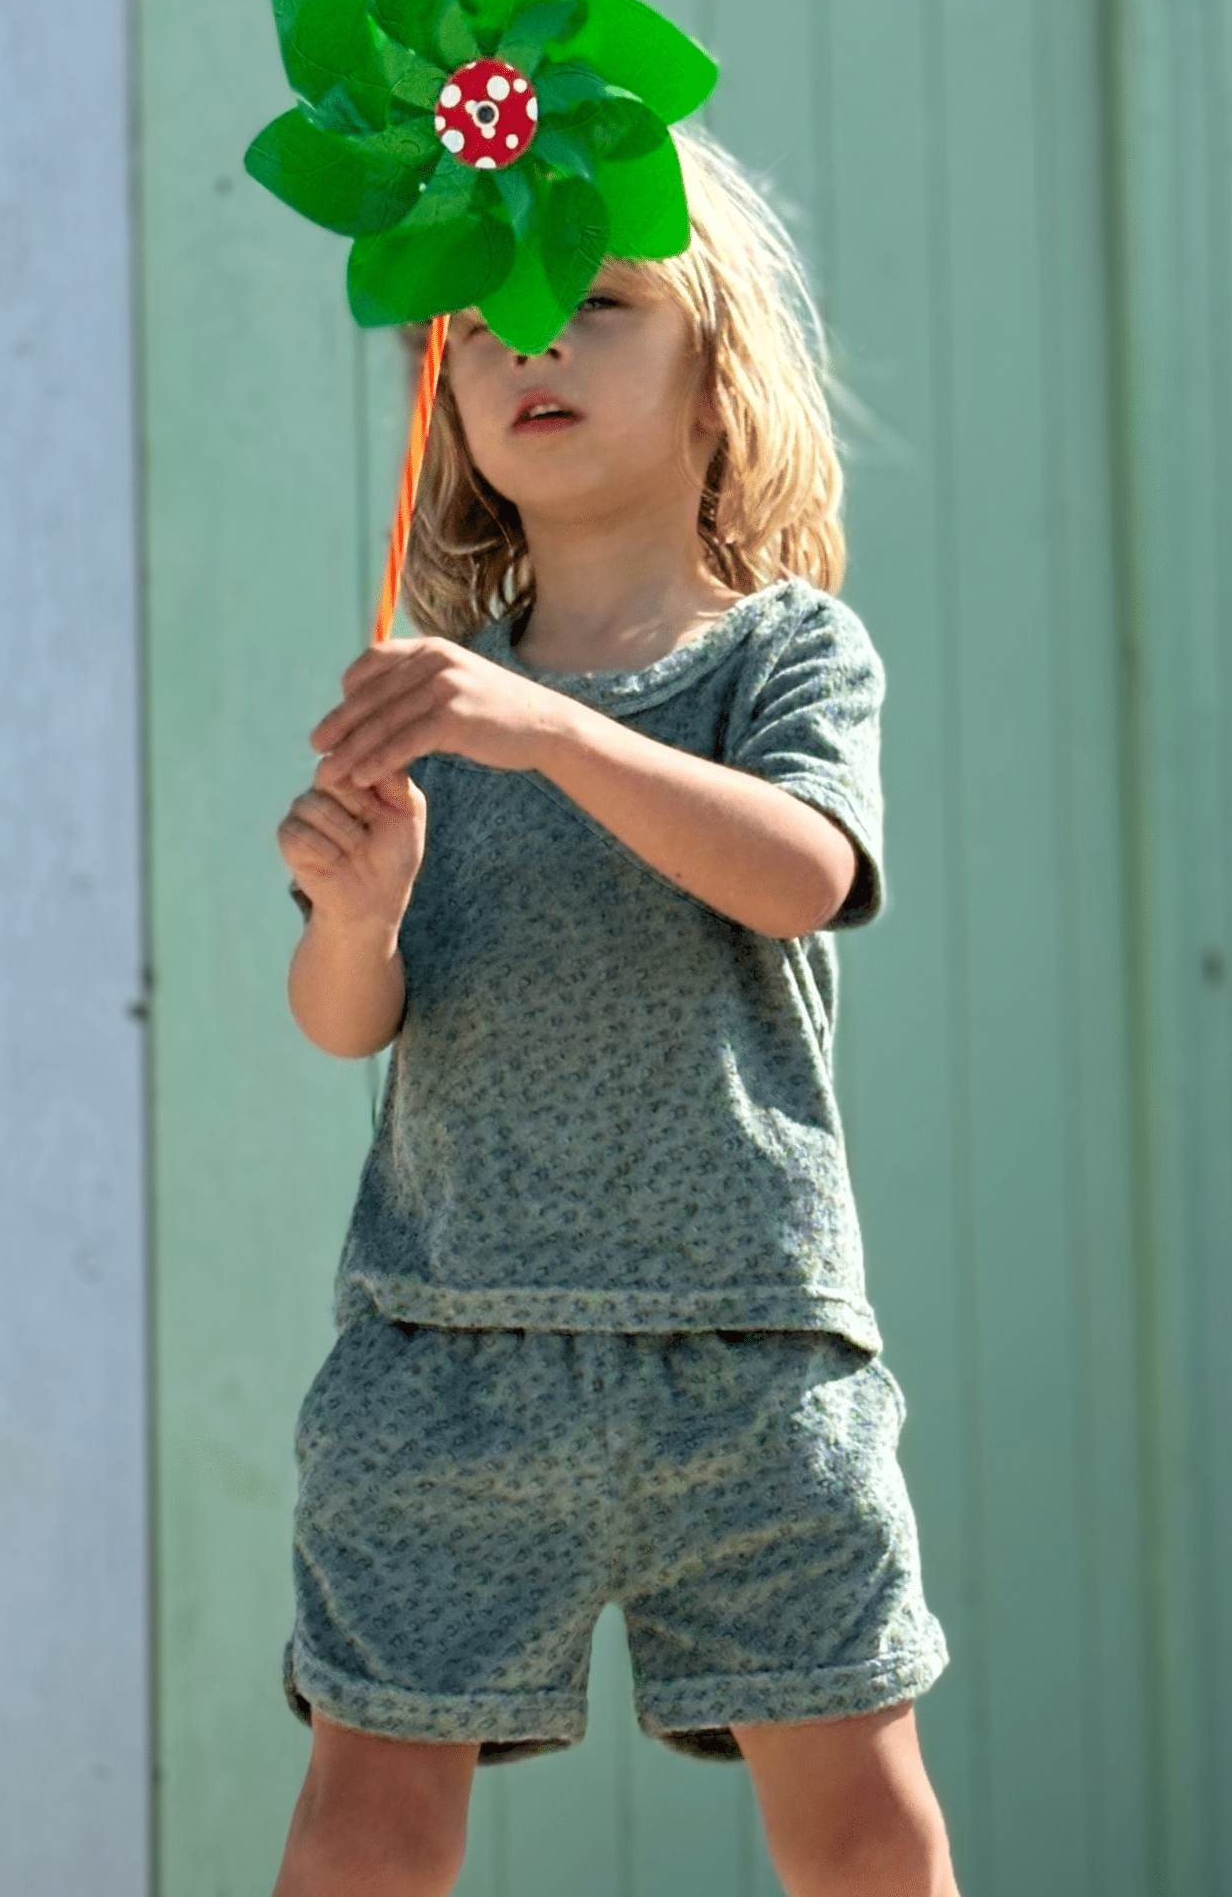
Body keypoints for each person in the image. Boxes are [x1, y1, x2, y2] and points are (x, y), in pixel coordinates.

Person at [270, 123, 960, 1897]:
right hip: (445, 1357)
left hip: (753, 1353)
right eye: (481, 325)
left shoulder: (788, 653)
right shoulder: (424, 696)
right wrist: (353, 913)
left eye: (592, 301)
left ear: (718, 375)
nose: (528, 347)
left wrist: (561, 735)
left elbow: (801, 874)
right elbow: (350, 1018)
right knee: (365, 1819)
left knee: (862, 1819)